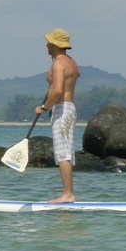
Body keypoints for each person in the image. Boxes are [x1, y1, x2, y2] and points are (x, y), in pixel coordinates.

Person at [35, 28, 81, 203]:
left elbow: (57, 90)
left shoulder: (58, 64)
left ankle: (68, 194)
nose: (46, 45)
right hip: (68, 108)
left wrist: (44, 107)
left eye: (48, 42)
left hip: (62, 109)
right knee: (65, 152)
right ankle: (68, 193)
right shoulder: (71, 62)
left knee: (63, 154)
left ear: (55, 44)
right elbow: (76, 74)